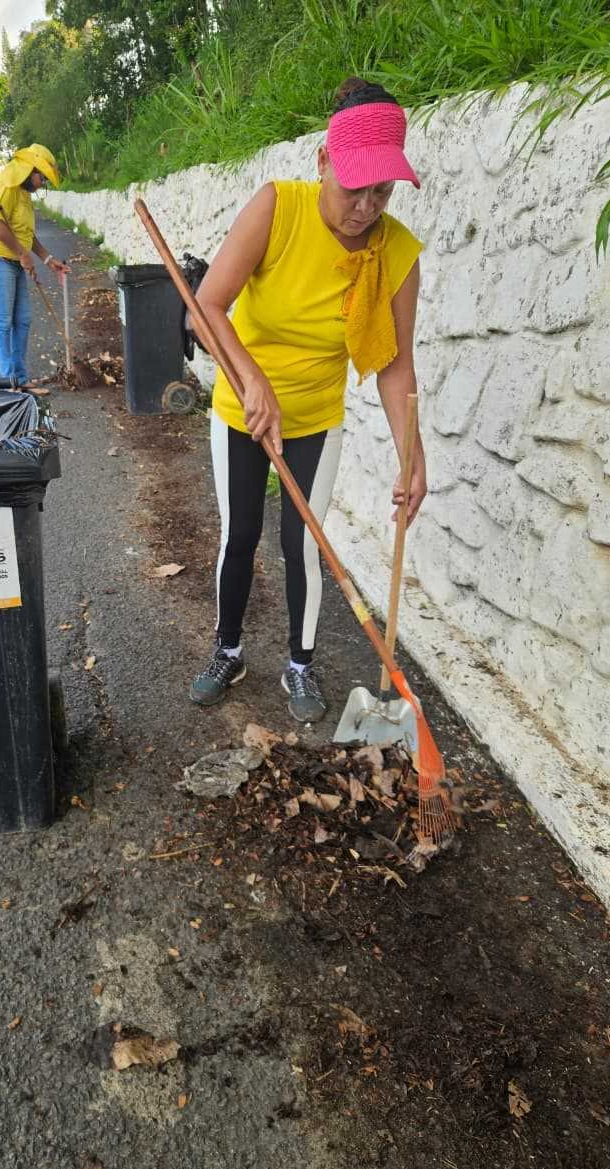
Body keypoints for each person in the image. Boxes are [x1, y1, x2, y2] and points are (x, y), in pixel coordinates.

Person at [190, 77, 426, 723]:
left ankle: (300, 664)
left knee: (303, 542)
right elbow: (206, 309)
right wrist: (252, 381)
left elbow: (395, 365)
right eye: (356, 187)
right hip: (244, 408)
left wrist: (413, 457)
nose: (366, 208)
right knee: (240, 534)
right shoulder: (278, 207)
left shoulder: (397, 251)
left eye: (382, 192)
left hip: (316, 417)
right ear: (324, 162)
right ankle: (228, 650)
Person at [0, 143, 70, 388]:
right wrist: (21, 254)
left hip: (13, 259)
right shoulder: (7, 184)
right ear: (31, 170)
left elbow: (25, 233)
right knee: (2, 322)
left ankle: (20, 379)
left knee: (23, 319)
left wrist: (48, 260)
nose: (42, 185)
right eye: (42, 179)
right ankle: (10, 383)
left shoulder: (24, 192)